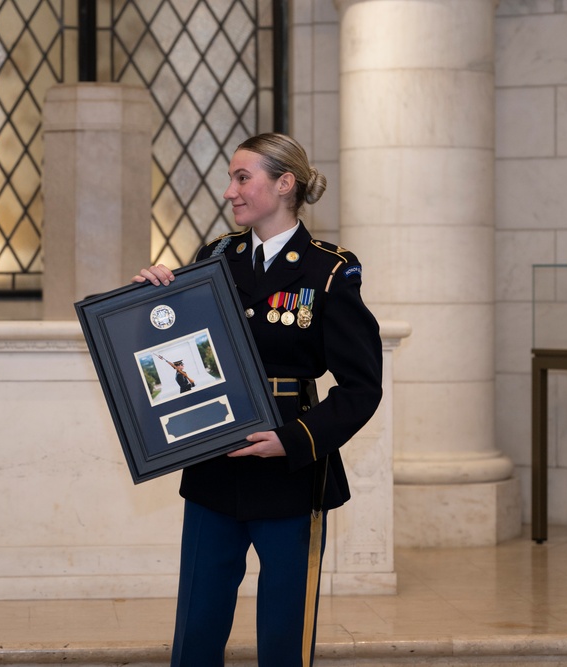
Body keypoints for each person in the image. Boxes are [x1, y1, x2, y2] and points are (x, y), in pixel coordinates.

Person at [133, 133, 383, 667]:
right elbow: (182, 350)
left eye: (243, 178)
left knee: (282, 629)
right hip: (213, 460)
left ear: (284, 183)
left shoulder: (329, 270)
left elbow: (362, 386)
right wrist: (153, 296)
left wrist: (293, 442)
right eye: (232, 179)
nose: (230, 191)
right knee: (197, 625)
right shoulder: (216, 256)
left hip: (289, 467)